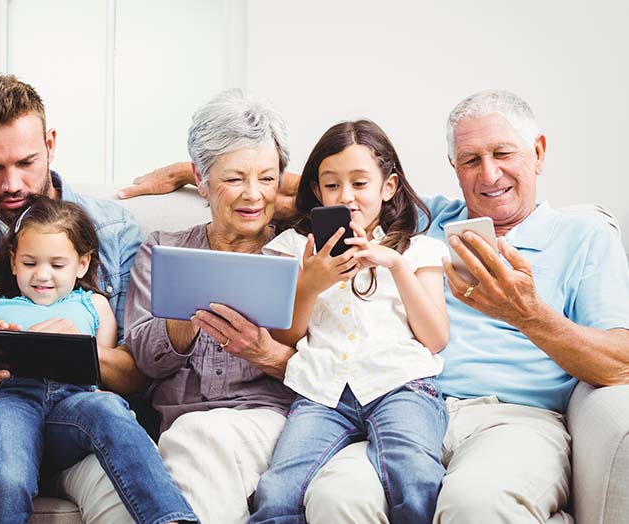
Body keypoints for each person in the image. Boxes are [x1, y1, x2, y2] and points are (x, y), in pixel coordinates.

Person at [122, 90, 629, 522]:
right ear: (453, 168)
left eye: (504, 154)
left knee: (472, 501)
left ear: (538, 152)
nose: (489, 174)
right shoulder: (435, 218)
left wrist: (527, 314)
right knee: (334, 496)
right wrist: (195, 173)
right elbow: (336, 183)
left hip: (490, 412)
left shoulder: (579, 235)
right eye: (471, 160)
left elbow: (620, 360)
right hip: (372, 398)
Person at [0, 74, 150, 524]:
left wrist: (80, 351)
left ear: (51, 144)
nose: (12, 183)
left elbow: (138, 373)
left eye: (26, 161)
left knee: (122, 497)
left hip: (81, 419)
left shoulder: (115, 232)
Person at [249, 120, 449, 523]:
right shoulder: (291, 248)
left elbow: (435, 338)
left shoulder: (417, 249)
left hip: (401, 386)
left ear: (388, 187)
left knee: (414, 473)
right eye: (332, 185)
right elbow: (285, 335)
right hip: (323, 393)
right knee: (278, 490)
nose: (347, 197)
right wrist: (310, 283)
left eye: (360, 183)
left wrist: (393, 264)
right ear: (317, 191)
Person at [0, 196, 195, 524]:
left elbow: (104, 379)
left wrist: (77, 345)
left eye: (57, 265)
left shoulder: (93, 306)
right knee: (9, 477)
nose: (42, 275)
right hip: (10, 403)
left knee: (110, 408)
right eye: (30, 263)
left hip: (70, 407)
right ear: (14, 262)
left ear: (82, 264)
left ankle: (171, 519)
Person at [125, 89, 298, 523]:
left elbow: (330, 368)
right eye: (234, 178)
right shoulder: (162, 250)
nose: (253, 195)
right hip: (181, 429)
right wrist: (186, 318)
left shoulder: (298, 252)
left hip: (269, 425)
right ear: (201, 181)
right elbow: (144, 358)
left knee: (197, 436)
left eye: (267, 177)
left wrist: (266, 353)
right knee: (193, 438)